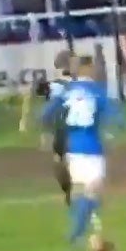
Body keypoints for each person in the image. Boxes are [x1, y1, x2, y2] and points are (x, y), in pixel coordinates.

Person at [42, 55, 125, 243]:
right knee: (93, 193)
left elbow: (46, 114)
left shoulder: (67, 91)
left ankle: (77, 232)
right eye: (92, 67)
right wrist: (117, 130)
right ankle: (76, 233)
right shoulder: (97, 92)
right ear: (87, 69)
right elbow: (116, 116)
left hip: (73, 147)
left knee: (81, 193)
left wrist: (53, 128)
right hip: (92, 146)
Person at [21, 49, 77, 205]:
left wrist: (27, 119)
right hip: (70, 128)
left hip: (63, 128)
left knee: (60, 160)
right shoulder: (65, 83)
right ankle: (72, 190)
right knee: (66, 160)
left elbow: (34, 91)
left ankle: (69, 190)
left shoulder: (57, 84)